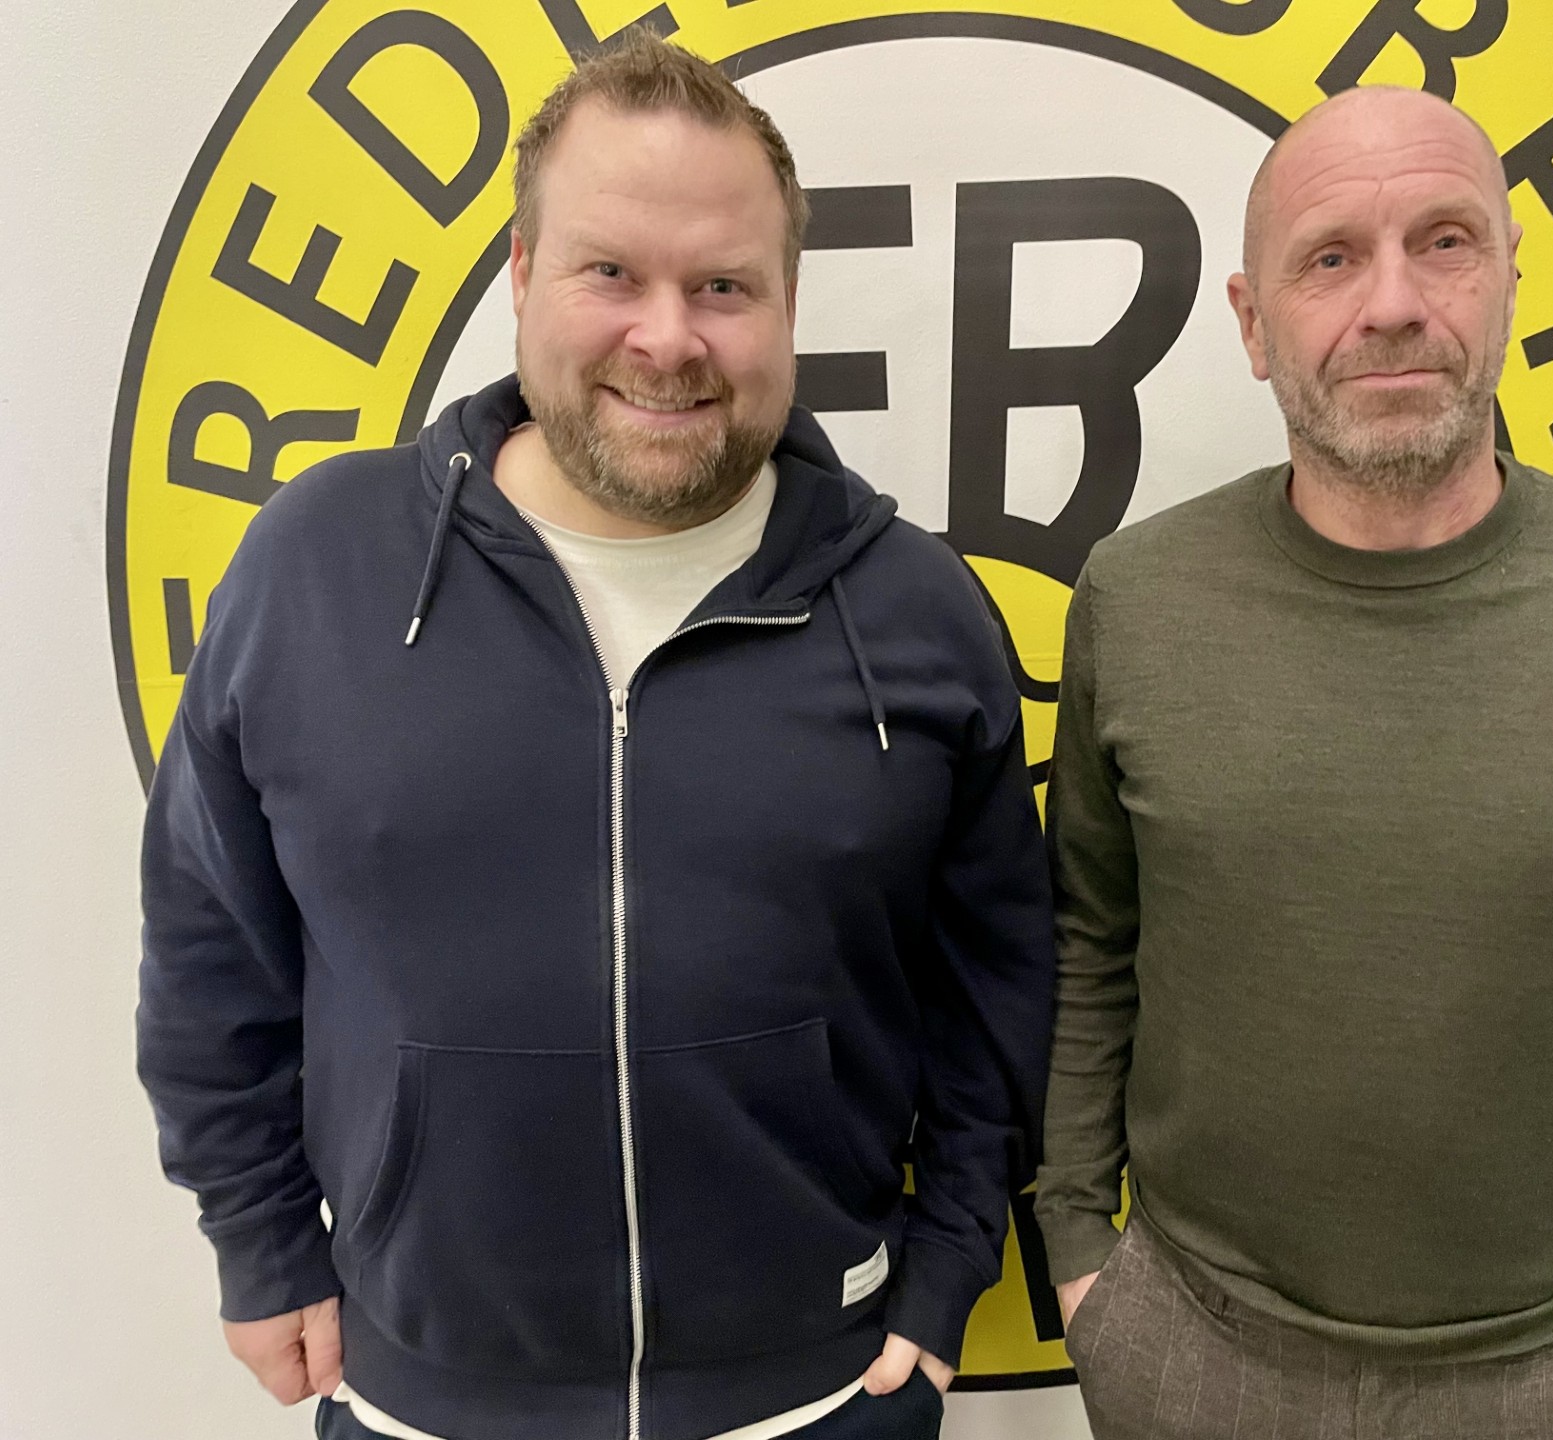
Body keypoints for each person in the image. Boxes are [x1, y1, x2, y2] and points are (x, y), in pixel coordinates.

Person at [137, 35, 1055, 1440]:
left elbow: (997, 989)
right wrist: (258, 1239)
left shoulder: (915, 608)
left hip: (819, 1396)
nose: (668, 338)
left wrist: (946, 1274)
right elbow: (212, 945)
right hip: (421, 1396)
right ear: (522, 276)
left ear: (788, 304)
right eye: (610, 272)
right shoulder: (318, 568)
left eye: (723, 286)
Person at [1036, 84, 1553, 1440]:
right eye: (1331, 258)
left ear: (1511, 278)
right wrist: (1078, 1249)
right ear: (1253, 323)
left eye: (1446, 242)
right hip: (1188, 1355)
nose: (1395, 304)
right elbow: (1089, 942)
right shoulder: (1138, 599)